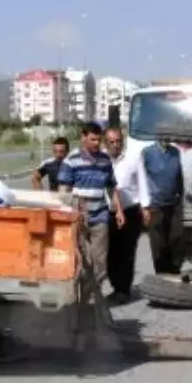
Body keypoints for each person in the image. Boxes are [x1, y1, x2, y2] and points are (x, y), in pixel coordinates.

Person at [57, 123, 125, 290]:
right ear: (83, 137)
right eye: (93, 139)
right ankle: (82, 294)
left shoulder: (104, 160)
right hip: (79, 218)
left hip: (100, 215)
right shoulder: (71, 161)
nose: (96, 143)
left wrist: (119, 211)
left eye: (99, 140)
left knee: (100, 260)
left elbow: (111, 187)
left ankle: (94, 294)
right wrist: (70, 209)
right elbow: (63, 191)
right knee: (82, 259)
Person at [103, 127, 150, 303]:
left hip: (130, 211)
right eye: (112, 142)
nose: (116, 145)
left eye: (118, 142)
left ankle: (123, 289)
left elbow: (142, 182)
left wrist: (145, 207)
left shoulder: (133, 159)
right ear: (105, 143)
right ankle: (115, 285)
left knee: (127, 252)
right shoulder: (101, 160)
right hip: (107, 212)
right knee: (109, 252)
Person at [141, 137, 186, 275]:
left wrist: (181, 195)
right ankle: (161, 273)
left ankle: (175, 270)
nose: (167, 138)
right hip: (155, 204)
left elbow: (179, 176)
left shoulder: (175, 152)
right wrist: (144, 206)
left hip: (174, 203)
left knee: (176, 238)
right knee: (159, 243)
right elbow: (141, 177)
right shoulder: (147, 153)